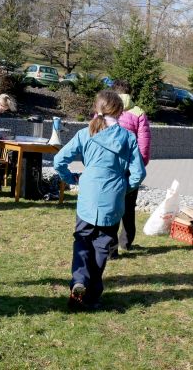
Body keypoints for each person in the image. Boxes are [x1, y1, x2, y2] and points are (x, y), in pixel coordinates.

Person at [53, 90, 146, 311]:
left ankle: (79, 280)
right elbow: (139, 173)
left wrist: (72, 179)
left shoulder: (85, 133)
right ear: (120, 111)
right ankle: (92, 295)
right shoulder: (127, 138)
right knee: (102, 247)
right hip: (112, 200)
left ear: (97, 109)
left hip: (88, 197)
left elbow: (59, 160)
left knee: (82, 241)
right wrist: (124, 188)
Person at [111, 79, 151, 254]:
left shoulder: (105, 109)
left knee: (111, 205)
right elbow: (144, 144)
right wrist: (140, 164)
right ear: (130, 93)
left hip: (110, 166)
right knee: (128, 207)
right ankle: (126, 242)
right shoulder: (139, 113)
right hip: (130, 167)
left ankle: (110, 247)